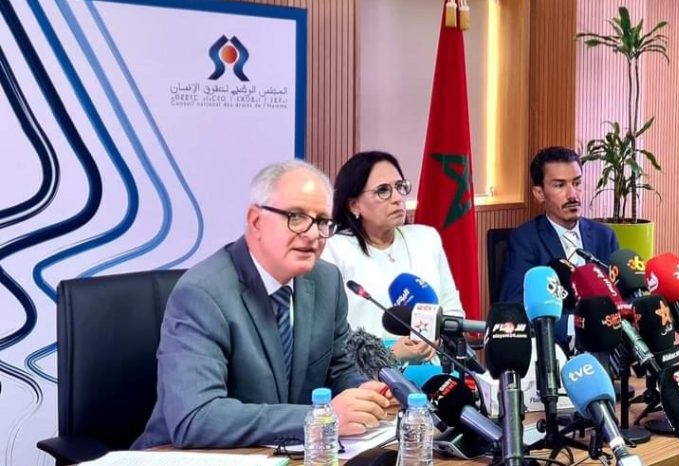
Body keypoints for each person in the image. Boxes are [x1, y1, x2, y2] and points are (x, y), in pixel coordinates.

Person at [134, 160, 393, 450]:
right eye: (296, 217)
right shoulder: (202, 294)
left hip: (283, 454)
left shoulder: (325, 280)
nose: (312, 234)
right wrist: (320, 418)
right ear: (256, 221)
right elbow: (195, 418)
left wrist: (363, 392)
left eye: (322, 221)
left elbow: (339, 368)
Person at [322, 151, 465, 364]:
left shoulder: (426, 238)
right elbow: (330, 338)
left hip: (435, 365)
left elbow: (452, 309)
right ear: (354, 205)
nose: (398, 198)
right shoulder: (333, 250)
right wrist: (391, 354)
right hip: (365, 373)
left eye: (400, 187)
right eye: (383, 191)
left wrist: (439, 341)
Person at [499, 146, 619, 302]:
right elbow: (514, 302)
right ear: (539, 194)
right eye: (560, 185)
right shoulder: (525, 240)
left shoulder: (604, 236)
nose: (572, 195)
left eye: (577, 183)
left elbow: (624, 295)